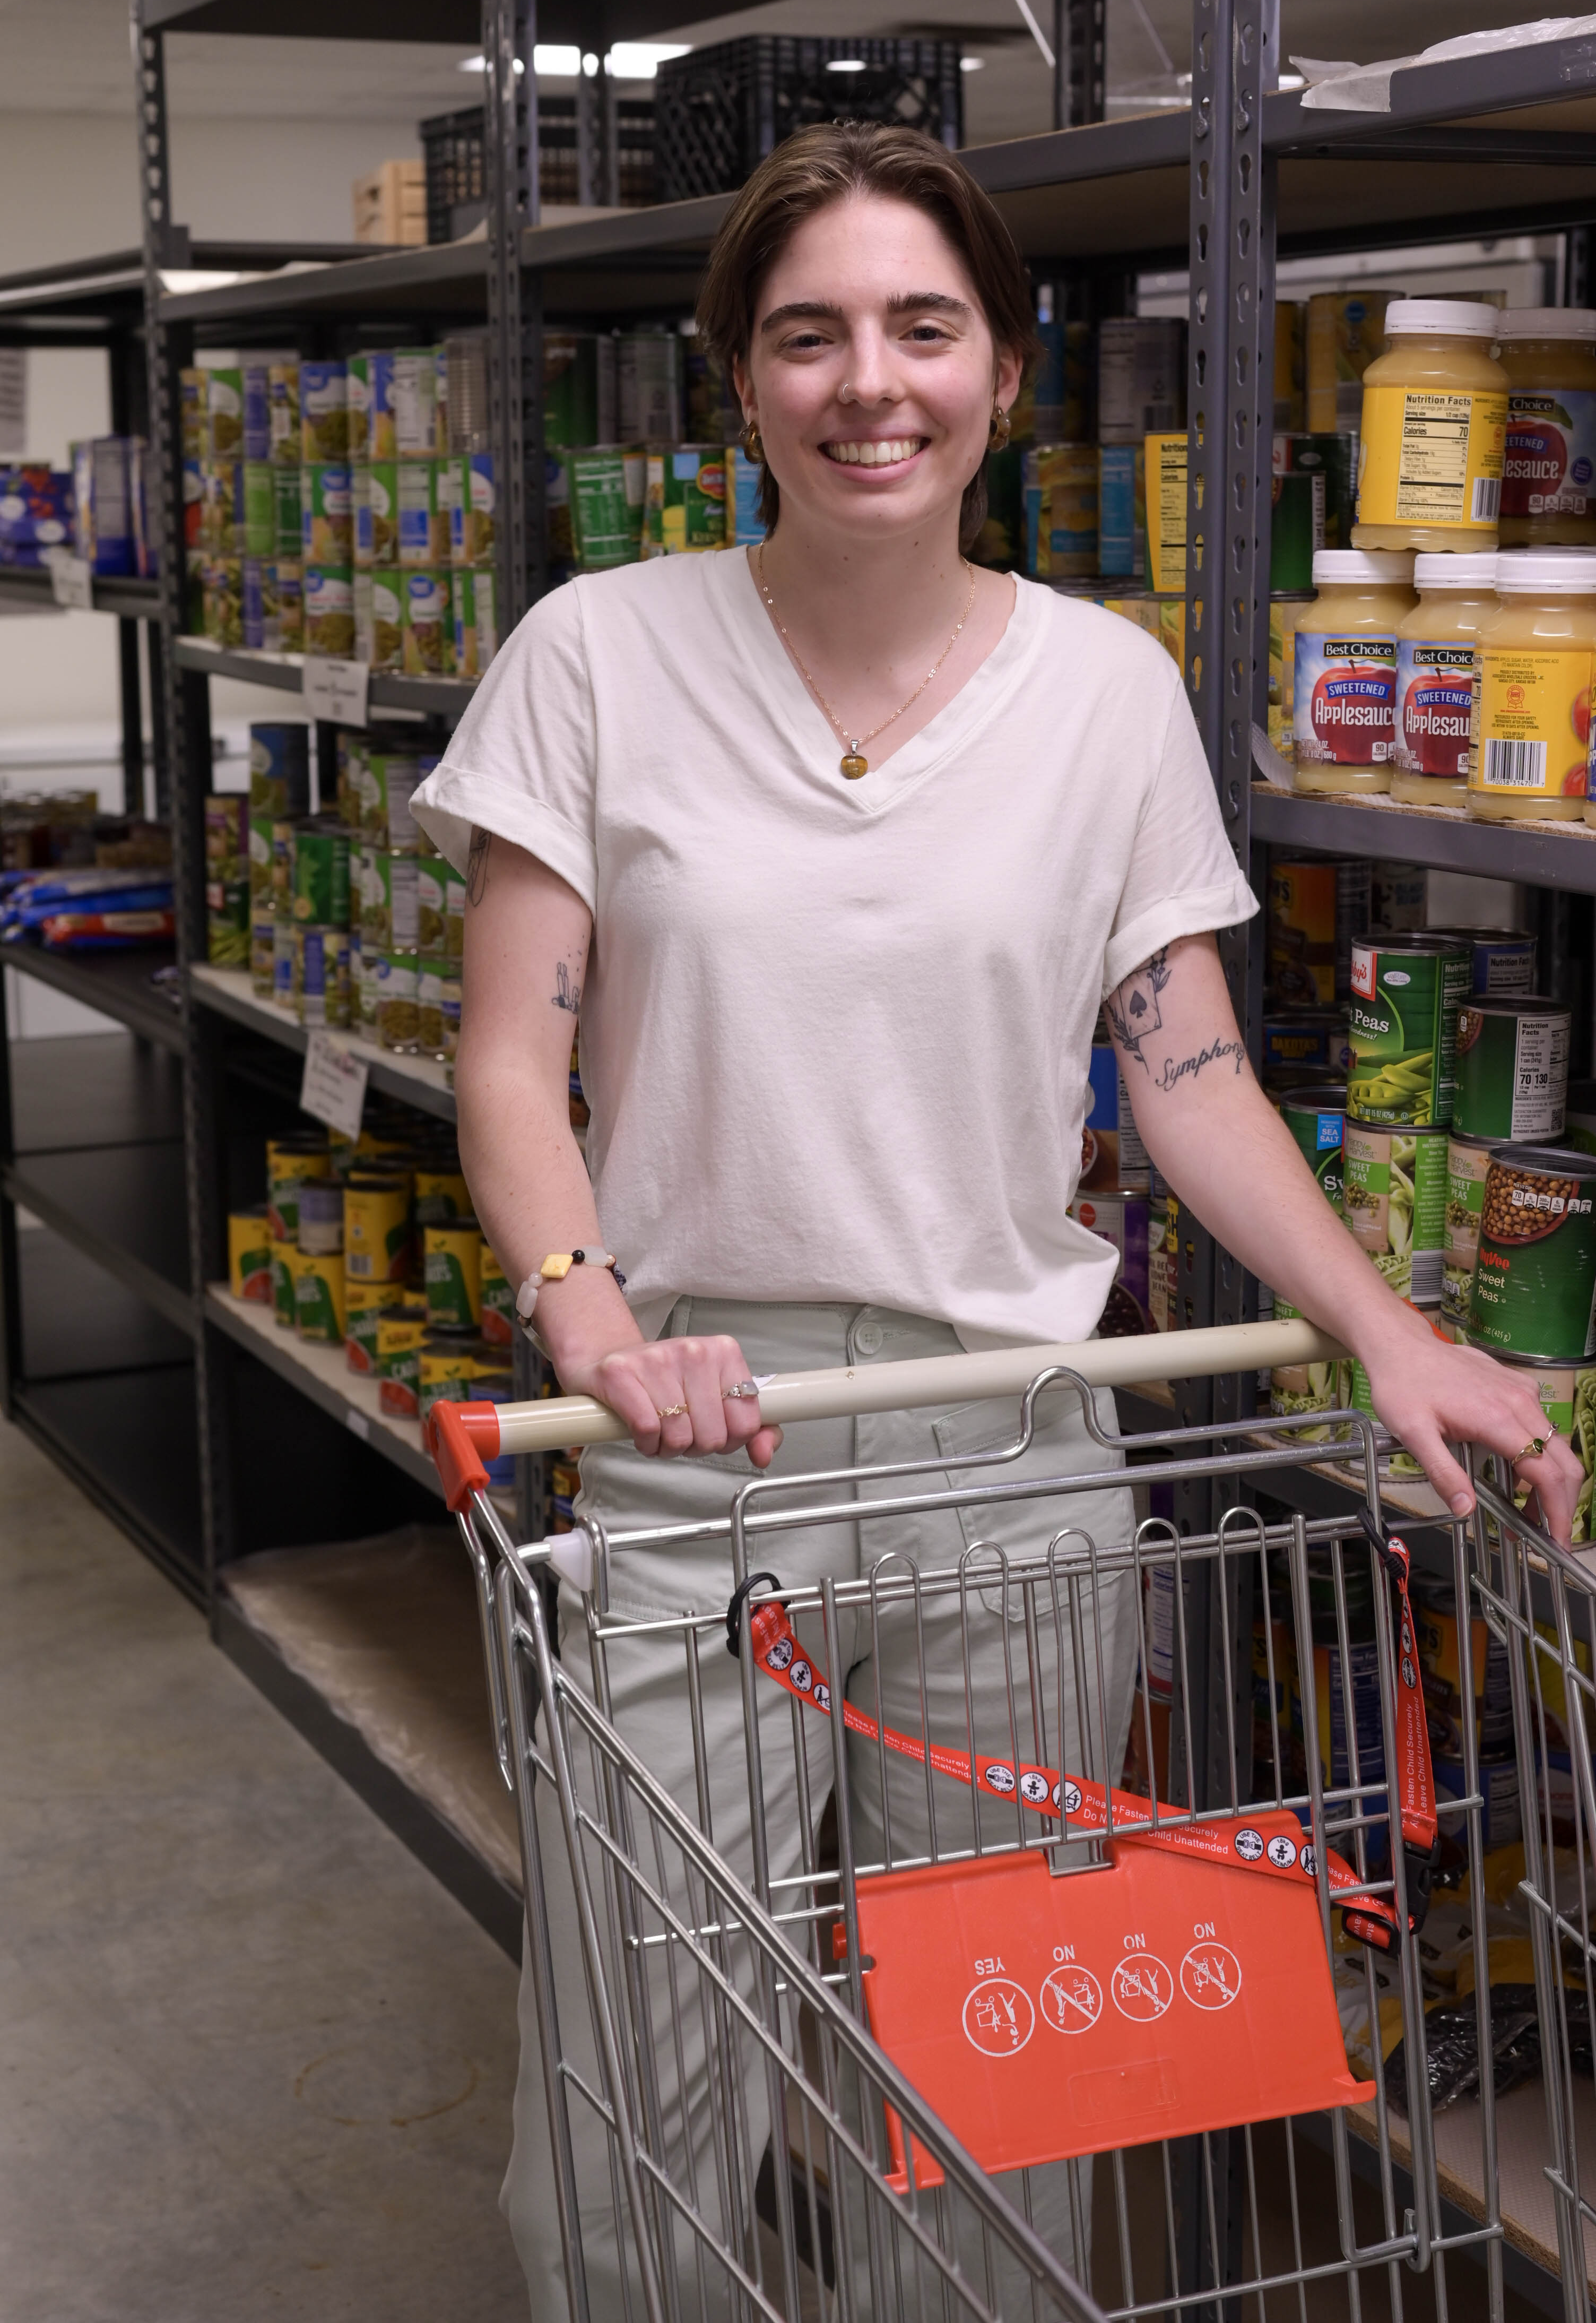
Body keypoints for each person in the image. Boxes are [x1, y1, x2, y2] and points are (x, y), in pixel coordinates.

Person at [414, 120, 1581, 2318]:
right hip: (696, 1432)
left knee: (994, 2093)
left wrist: (1385, 1330)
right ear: (735, 383)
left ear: (1004, 373)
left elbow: (1187, 1068)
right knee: (627, 2085)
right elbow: (509, 1053)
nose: (871, 382)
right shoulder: (595, 654)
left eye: (920, 328)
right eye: (810, 336)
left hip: (1019, 1454)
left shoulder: (1104, 693)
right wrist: (580, 1314)